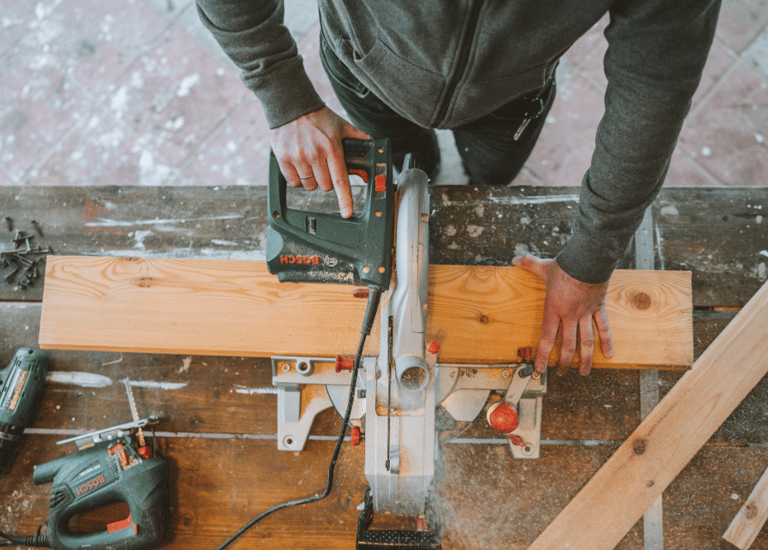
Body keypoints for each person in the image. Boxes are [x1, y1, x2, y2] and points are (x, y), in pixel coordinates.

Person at [195, 0, 721, 376]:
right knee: (404, 161)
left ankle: (459, 175)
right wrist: (283, 92)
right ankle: (419, 164)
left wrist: (591, 258)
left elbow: (655, 83)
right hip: (365, 69)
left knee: (488, 184)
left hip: (510, 103)